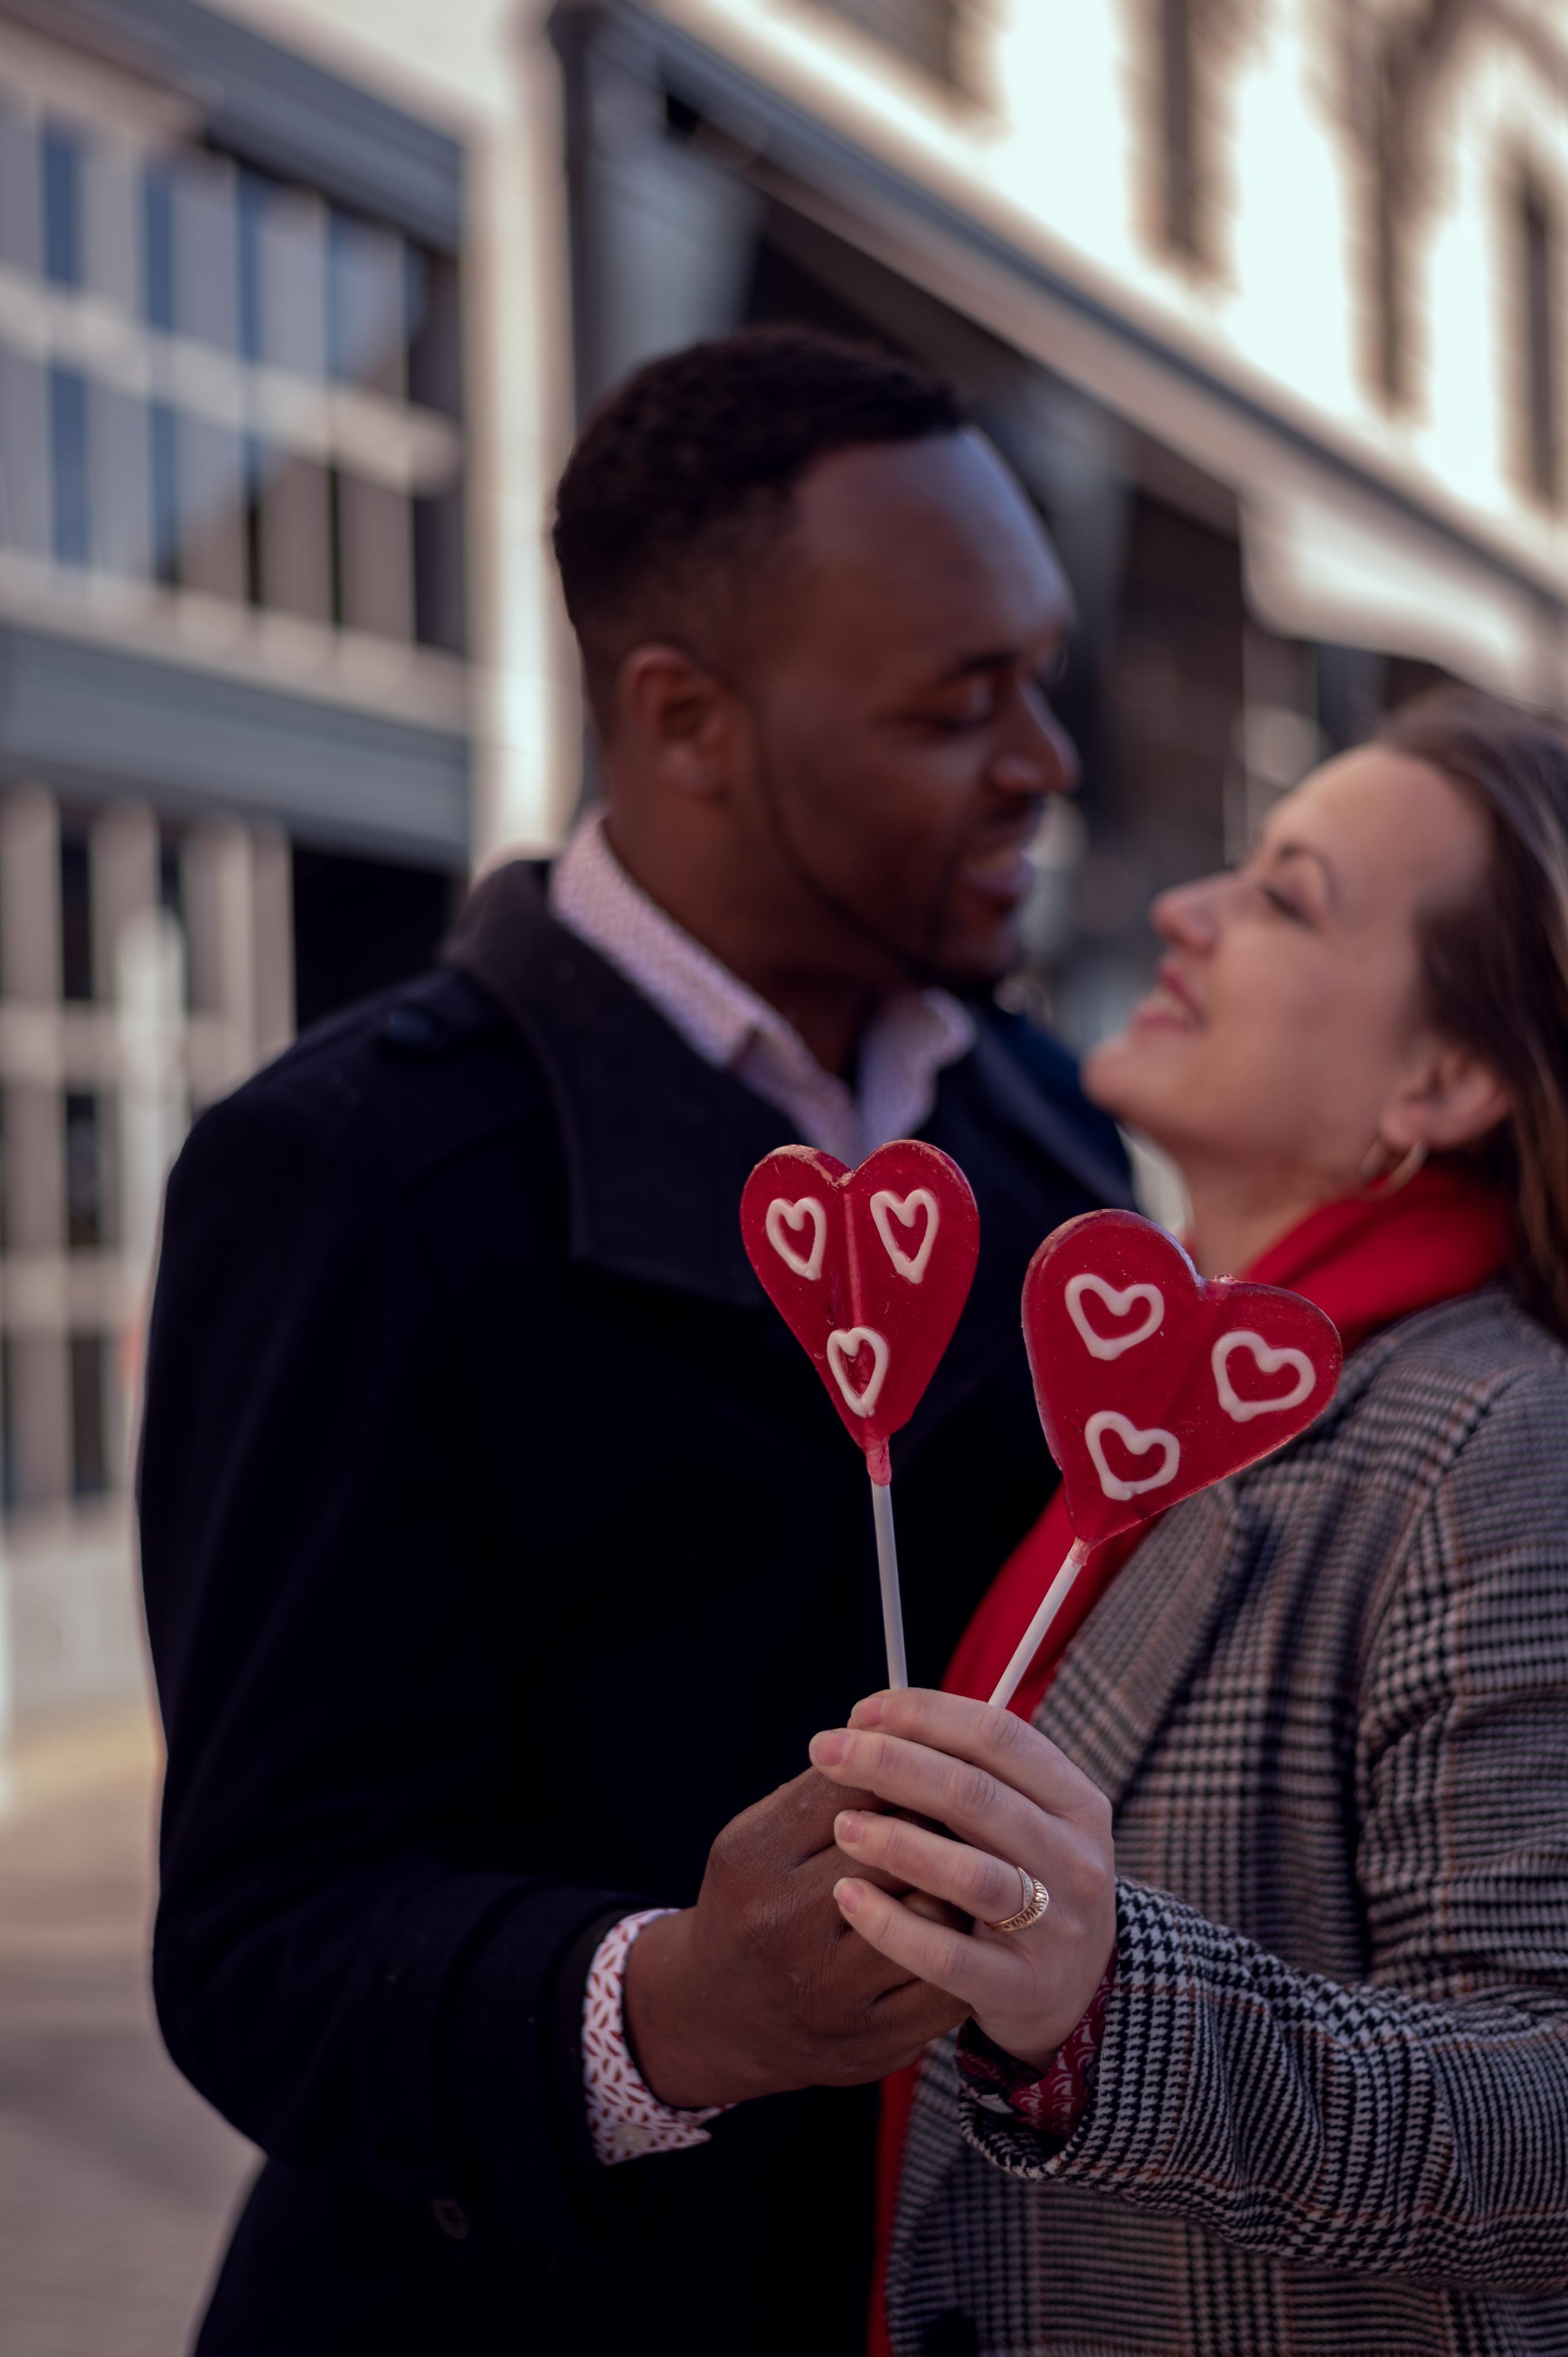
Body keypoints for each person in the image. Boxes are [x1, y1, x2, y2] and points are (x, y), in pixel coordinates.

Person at [137, 328, 1131, 2356]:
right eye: (962, 705)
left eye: (1043, 677)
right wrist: (677, 2002)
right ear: (684, 718)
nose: (1046, 761)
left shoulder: (1050, 1121)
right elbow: (261, 1935)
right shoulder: (353, 1170)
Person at [807, 690, 1568, 2356]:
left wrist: (1100, 2004)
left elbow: (1549, 2113)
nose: (1183, 907)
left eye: (1289, 895)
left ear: (1443, 1078)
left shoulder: (1494, 1443)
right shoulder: (1179, 1415)